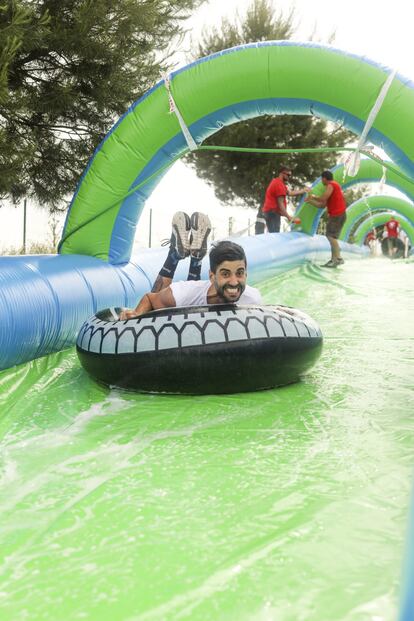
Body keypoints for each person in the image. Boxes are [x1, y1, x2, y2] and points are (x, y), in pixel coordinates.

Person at [119, 212, 262, 320]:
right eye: (225, 274)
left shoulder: (252, 299)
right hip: (189, 296)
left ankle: (187, 257)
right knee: (158, 315)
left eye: (239, 273)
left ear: (246, 274)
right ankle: (186, 258)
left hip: (193, 299)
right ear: (211, 276)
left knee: (189, 307)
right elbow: (151, 298)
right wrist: (136, 314)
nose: (234, 281)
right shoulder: (184, 292)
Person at [304, 170, 347, 268]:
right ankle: (333, 260)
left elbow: (323, 198)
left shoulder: (331, 185)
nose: (321, 181)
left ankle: (339, 258)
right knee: (332, 237)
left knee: (330, 236)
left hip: (338, 214)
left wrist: (313, 196)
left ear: (324, 178)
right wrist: (310, 201)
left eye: (321, 179)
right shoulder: (332, 188)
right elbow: (321, 205)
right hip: (338, 214)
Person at [262, 166, 310, 233]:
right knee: (274, 236)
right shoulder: (279, 185)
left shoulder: (277, 182)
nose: (289, 177)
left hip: (270, 212)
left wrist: (303, 190)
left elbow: (290, 193)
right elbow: (280, 203)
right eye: (288, 175)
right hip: (273, 213)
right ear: (282, 173)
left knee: (273, 235)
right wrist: (289, 217)